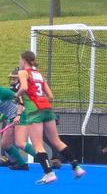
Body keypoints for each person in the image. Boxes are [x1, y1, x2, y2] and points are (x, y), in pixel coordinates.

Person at [13, 51, 86, 184]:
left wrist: (16, 95)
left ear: (24, 60)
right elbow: (51, 96)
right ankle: (77, 168)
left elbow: (23, 87)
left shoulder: (23, 72)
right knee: (56, 141)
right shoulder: (40, 75)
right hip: (46, 108)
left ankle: (49, 173)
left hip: (34, 110)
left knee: (38, 145)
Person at [7, 67, 62, 169]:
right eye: (12, 79)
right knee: (13, 139)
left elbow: (34, 101)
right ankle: (13, 159)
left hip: (32, 114)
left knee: (44, 138)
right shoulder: (15, 89)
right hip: (29, 114)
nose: (12, 81)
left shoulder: (26, 87)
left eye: (15, 79)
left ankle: (53, 158)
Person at [0, 72, 36, 170]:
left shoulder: (2, 92)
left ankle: (44, 159)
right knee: (5, 144)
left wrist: (18, 115)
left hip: (21, 114)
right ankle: (22, 164)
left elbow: (20, 100)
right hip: (11, 117)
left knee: (20, 143)